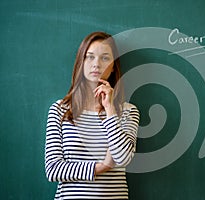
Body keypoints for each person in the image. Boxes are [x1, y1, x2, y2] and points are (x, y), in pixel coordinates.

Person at [45, 31, 140, 199]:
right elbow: (53, 169)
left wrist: (110, 108)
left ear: (113, 67)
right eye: (90, 57)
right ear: (81, 62)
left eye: (104, 58)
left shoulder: (128, 111)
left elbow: (123, 158)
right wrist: (102, 166)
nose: (96, 64)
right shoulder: (59, 110)